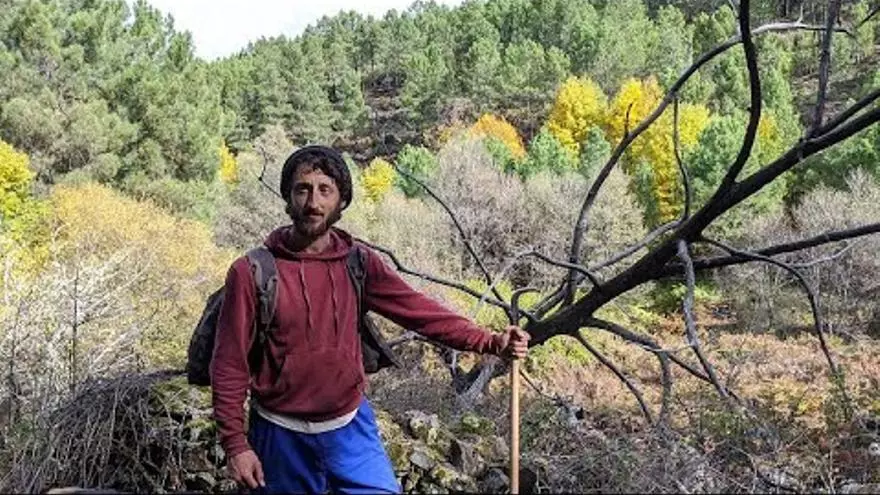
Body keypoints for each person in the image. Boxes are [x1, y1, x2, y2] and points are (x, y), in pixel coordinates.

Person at [210, 145, 530, 494]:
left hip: (349, 431)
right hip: (279, 434)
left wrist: (491, 341)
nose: (313, 202)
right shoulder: (253, 271)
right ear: (287, 197)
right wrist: (236, 446)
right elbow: (229, 363)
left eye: (325, 190)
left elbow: (420, 312)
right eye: (302, 189)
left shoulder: (358, 264)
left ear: (342, 201)